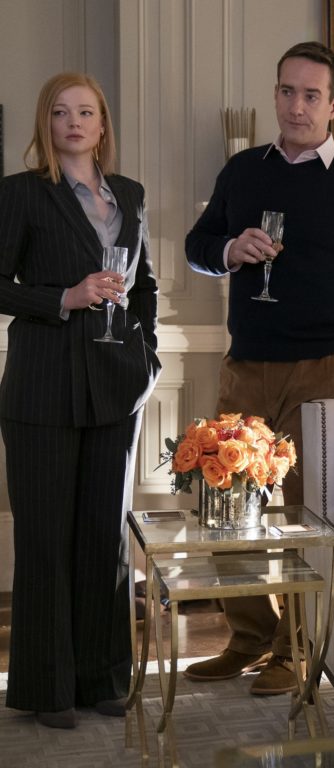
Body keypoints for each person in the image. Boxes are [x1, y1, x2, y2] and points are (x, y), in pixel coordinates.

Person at [183, 41, 334, 694]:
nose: (296, 106)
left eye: (311, 95)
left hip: (323, 373)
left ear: (333, 105)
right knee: (228, 510)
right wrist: (229, 249)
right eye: (287, 91)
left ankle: (297, 649)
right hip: (246, 369)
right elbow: (198, 246)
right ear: (275, 94)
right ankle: (249, 637)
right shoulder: (242, 172)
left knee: (311, 519)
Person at [0, 72, 160, 728]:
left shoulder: (131, 194)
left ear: (102, 125)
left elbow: (144, 285)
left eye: (86, 112)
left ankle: (102, 677)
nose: (73, 122)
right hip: (42, 384)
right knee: (45, 539)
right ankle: (49, 689)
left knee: (104, 536)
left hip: (116, 386)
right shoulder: (21, 193)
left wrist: (147, 356)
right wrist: (65, 297)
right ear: (47, 123)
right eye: (61, 112)